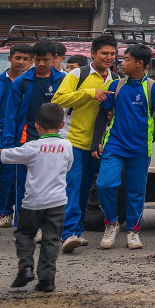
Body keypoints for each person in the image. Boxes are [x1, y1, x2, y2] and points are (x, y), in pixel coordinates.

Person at [0, 101, 70, 292]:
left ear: (36, 126)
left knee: (24, 234)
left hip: (33, 202)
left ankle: (26, 267)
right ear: (62, 124)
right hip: (58, 202)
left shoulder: (31, 147)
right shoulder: (67, 146)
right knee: (51, 239)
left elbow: (4, 154)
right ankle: (47, 279)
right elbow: (67, 168)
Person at [94, 43, 155, 250]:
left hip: (140, 147)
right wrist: (96, 141)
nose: (122, 63)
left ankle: (133, 232)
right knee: (105, 184)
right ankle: (111, 223)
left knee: (136, 191)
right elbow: (103, 115)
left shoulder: (153, 87)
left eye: (126, 59)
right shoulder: (115, 86)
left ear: (140, 63)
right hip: (114, 145)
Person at [52, 34, 118, 253]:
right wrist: (90, 93)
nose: (109, 57)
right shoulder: (76, 74)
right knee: (73, 185)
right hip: (71, 141)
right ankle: (69, 233)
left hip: (97, 145)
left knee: (84, 189)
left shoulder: (115, 80)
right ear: (93, 54)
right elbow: (58, 100)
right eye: (104, 53)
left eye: (112, 54)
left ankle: (75, 232)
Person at [0, 40, 66, 229]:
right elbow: (11, 113)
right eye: (38, 60)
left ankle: (49, 224)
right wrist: (9, 141)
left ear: (54, 59)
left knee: (53, 182)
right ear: (33, 60)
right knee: (24, 184)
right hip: (26, 138)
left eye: (46, 60)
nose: (42, 64)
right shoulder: (22, 81)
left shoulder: (62, 80)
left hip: (55, 139)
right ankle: (25, 223)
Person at [0, 42, 33, 234]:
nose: (21, 62)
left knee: (5, 181)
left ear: (31, 61)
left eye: (26, 59)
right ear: (10, 58)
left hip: (15, 138)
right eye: (18, 58)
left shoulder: (30, 83)